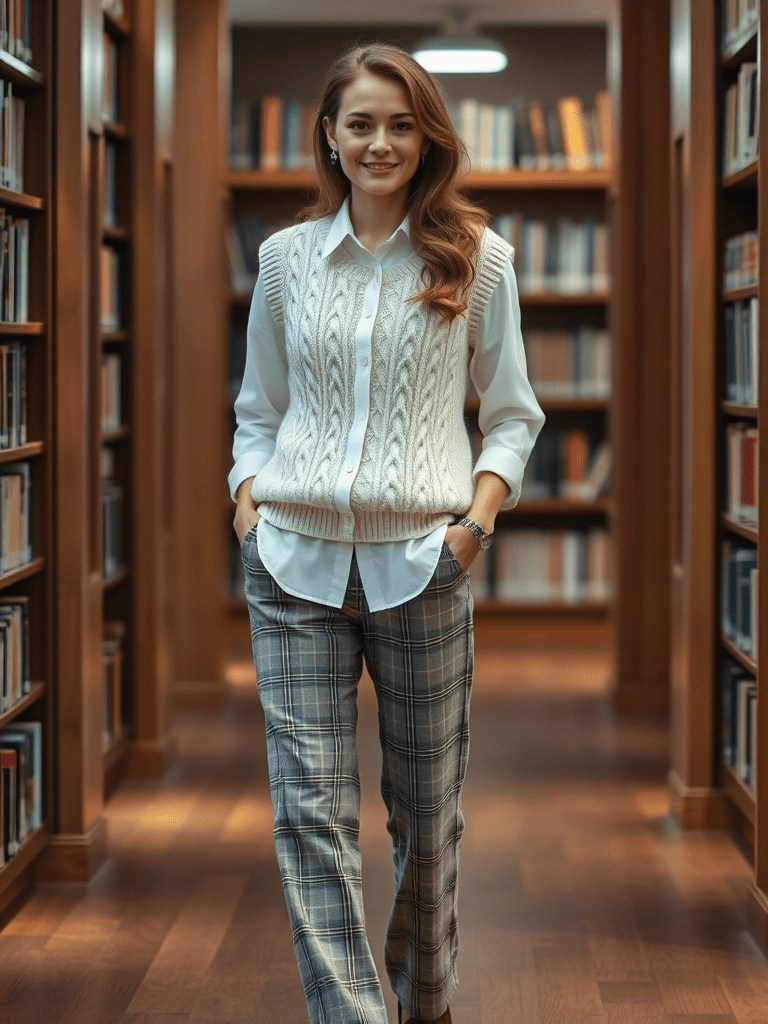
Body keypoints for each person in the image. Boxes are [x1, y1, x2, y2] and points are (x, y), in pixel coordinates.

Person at [229, 41, 544, 1024]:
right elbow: (258, 408)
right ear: (329, 135)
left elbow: (513, 414)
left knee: (427, 814)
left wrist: (475, 524)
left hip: (424, 565)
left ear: (427, 138)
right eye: (360, 123)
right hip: (292, 562)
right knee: (309, 815)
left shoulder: (479, 259)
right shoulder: (284, 262)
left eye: (402, 124)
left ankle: (426, 1000)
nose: (380, 142)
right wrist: (247, 498)